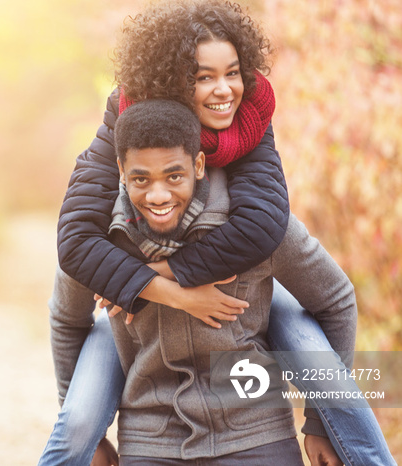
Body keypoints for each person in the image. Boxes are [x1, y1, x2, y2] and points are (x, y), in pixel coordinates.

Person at [39, 1, 395, 465]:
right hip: (152, 432)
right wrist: (161, 290)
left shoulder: (248, 122)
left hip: (250, 382)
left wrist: (159, 272)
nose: (223, 90)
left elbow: (269, 228)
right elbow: (75, 252)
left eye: (232, 73)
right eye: (203, 76)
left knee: (302, 338)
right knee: (78, 423)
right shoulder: (122, 144)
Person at [105, 97, 355, 463]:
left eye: (174, 175)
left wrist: (321, 422)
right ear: (122, 172)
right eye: (141, 179)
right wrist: (89, 434)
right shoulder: (104, 239)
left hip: (257, 434)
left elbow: (337, 299)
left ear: (199, 164)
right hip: (150, 440)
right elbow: (67, 317)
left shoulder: (257, 227)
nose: (158, 195)